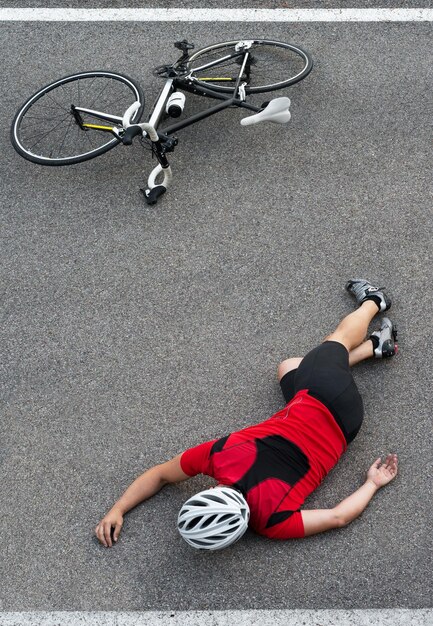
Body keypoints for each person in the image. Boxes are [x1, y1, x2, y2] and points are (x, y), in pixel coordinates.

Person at [95, 278, 399, 550]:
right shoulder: (219, 457)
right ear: (212, 490)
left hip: (347, 425)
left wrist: (373, 482)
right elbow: (160, 474)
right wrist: (117, 508)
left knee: (288, 368)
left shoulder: (272, 523)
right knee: (334, 343)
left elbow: (339, 517)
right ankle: (374, 301)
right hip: (323, 395)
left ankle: (375, 347)